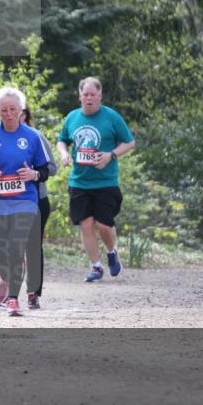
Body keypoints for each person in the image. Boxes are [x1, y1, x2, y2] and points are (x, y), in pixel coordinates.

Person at [0, 87, 50, 316]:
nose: (8, 114)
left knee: (17, 248)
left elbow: (46, 168)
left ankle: (12, 299)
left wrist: (34, 175)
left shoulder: (32, 136)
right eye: (3, 110)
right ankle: (9, 277)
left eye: (13, 109)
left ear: (21, 110)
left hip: (24, 201)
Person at [56, 76, 135, 283]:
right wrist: (64, 154)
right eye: (85, 94)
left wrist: (111, 155)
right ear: (79, 96)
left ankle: (111, 252)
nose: (89, 98)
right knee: (86, 224)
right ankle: (96, 266)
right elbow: (61, 141)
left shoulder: (111, 117)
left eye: (93, 95)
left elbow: (129, 142)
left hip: (105, 181)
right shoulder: (72, 117)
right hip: (79, 181)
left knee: (104, 225)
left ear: (100, 96)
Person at [18, 104, 57, 309]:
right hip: (6, 201)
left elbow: (52, 168)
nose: (13, 115)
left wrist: (34, 174)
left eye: (18, 111)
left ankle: (33, 293)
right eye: (5, 110)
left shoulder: (36, 137)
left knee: (32, 247)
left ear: (24, 114)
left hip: (36, 200)